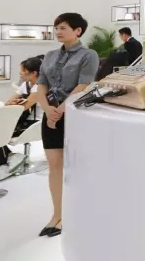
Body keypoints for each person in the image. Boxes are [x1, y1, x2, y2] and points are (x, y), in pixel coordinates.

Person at [33, 13, 99, 238]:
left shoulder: (88, 55)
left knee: (76, 166)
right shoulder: (50, 56)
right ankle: (57, 215)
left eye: (63, 27)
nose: (58, 32)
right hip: (50, 115)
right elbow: (41, 85)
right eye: (56, 28)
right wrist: (47, 110)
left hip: (74, 115)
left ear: (78, 30)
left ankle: (78, 212)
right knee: (54, 166)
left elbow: (83, 85)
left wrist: (60, 109)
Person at [0, 57, 43, 183]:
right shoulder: (26, 85)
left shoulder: (40, 87)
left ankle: (4, 165)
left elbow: (23, 107)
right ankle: (9, 156)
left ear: (34, 73)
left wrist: (16, 103)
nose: (20, 73)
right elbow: (8, 102)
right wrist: (14, 102)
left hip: (37, 123)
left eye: (23, 71)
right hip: (24, 120)